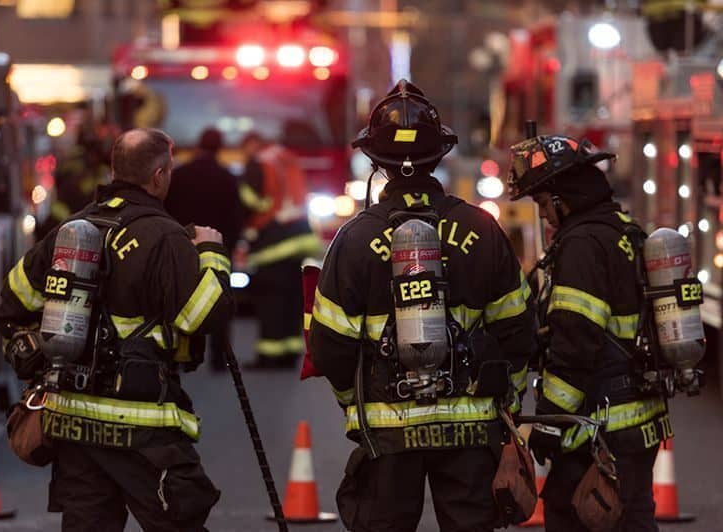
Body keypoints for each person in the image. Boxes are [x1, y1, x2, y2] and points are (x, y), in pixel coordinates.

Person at [308, 80, 536, 531]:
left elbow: (329, 345)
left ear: (377, 162)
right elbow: (518, 330)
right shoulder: (483, 228)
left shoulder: (353, 239)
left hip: (386, 433)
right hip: (471, 431)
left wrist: (356, 404)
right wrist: (504, 404)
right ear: (439, 156)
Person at [0, 128, 234, 532]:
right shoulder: (166, 237)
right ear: (159, 175)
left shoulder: (72, 230)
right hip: (141, 428)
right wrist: (212, 255)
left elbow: (14, 297)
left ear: (114, 169)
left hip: (72, 424)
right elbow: (201, 317)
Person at [507, 133, 672, 531]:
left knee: (573, 516)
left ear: (566, 197)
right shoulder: (625, 231)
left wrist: (550, 423)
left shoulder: (582, 244)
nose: (544, 215)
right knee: (631, 517)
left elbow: (576, 342)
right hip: (640, 420)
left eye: (545, 204)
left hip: (599, 427)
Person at [239, 131, 321, 369]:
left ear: (252, 143)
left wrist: (245, 222)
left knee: (270, 301)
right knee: (291, 299)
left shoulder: (259, 162)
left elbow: (249, 199)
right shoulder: (286, 157)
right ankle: (290, 353)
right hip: (300, 236)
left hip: (273, 240)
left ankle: (268, 356)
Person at [165, 127, 244, 370]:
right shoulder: (227, 177)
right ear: (220, 147)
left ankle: (181, 354)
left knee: (182, 300)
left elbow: (167, 209)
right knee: (218, 297)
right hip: (218, 247)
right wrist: (230, 242)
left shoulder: (180, 174)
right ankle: (219, 358)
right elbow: (236, 216)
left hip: (183, 245)